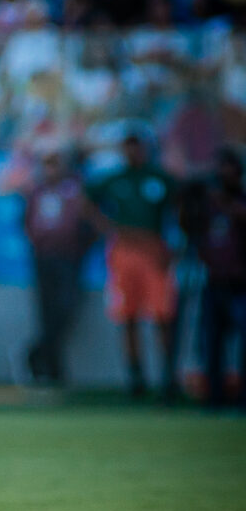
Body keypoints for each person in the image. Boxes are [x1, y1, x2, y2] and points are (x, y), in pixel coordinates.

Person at [84, 133, 180, 399]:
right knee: (128, 315)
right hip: (124, 250)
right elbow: (86, 200)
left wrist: (177, 243)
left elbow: (182, 205)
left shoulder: (159, 178)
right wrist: (106, 227)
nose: (133, 153)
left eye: (137, 147)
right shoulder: (115, 179)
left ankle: (167, 377)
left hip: (153, 250)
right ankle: (136, 378)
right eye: (128, 148)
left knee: (161, 315)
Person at [182, 147, 246, 409]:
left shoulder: (239, 200)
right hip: (213, 281)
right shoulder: (208, 207)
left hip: (240, 283)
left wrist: (227, 205)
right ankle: (214, 398)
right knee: (211, 343)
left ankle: (242, 398)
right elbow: (188, 224)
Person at [22, 149, 93, 388]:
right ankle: (53, 370)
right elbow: (27, 221)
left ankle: (36, 354)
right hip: (43, 257)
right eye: (47, 164)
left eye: (55, 164)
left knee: (65, 309)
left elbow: (87, 222)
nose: (50, 169)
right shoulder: (37, 191)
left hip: (67, 258)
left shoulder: (74, 190)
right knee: (47, 313)